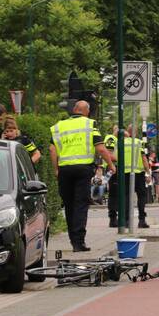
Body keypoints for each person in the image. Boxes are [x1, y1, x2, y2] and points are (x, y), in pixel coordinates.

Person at [49, 100, 115, 252]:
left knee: (69, 204)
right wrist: (111, 165)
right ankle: (79, 242)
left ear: (74, 109)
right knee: (80, 204)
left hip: (65, 170)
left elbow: (52, 150)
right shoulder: (90, 124)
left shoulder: (59, 126)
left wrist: (56, 169)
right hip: (82, 170)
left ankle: (73, 239)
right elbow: (101, 148)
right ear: (86, 111)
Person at [106, 125, 150, 229]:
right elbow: (144, 159)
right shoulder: (140, 143)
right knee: (141, 197)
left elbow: (114, 157)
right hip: (138, 173)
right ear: (135, 132)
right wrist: (148, 173)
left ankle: (126, 221)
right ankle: (141, 220)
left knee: (125, 197)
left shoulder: (119, 143)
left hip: (123, 174)